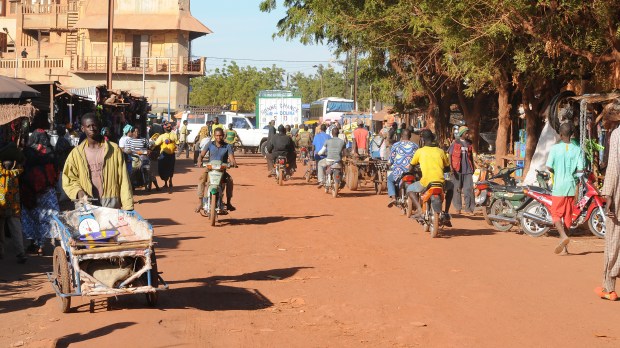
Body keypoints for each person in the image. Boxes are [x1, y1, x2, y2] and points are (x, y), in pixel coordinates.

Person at [63, 113, 133, 211]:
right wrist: (78, 192)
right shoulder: (76, 154)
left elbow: (123, 179)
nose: (92, 128)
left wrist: (128, 206)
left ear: (99, 126)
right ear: (83, 129)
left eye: (94, 125)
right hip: (87, 206)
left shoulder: (114, 149)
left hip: (111, 206)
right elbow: (69, 178)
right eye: (88, 126)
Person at [21, 119, 59, 255]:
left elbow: (23, 169)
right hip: (48, 191)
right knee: (46, 218)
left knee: (31, 217)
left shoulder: (28, 151)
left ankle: (34, 244)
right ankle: (42, 245)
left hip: (31, 191)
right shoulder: (51, 151)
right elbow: (56, 170)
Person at [546, 123, 585, 254]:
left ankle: (563, 236)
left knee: (556, 214)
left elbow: (549, 167)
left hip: (558, 186)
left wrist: (556, 170)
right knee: (568, 216)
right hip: (571, 186)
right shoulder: (577, 149)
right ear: (572, 134)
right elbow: (580, 170)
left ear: (560, 134)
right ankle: (565, 249)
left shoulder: (555, 149)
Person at [407, 129, 454, 226]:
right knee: (452, 186)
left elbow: (411, 166)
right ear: (432, 138)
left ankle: (420, 210)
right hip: (441, 183)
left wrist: (411, 171)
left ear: (423, 140)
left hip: (425, 183)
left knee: (409, 189)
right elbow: (447, 168)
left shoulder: (420, 152)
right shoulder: (441, 151)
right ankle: (446, 211)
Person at [596, 116, 620, 300]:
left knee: (614, 238)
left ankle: (608, 288)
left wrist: (608, 195)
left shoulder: (617, 134)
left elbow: (613, 168)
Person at [196, 128, 238, 212]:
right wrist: (199, 161)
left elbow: (231, 158)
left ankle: (229, 203)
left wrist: (233, 163)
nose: (219, 137)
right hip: (210, 169)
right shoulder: (210, 144)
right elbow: (201, 155)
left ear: (223, 136)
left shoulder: (227, 146)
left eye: (220, 135)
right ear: (214, 136)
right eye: (217, 135)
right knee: (201, 180)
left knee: (230, 180)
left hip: (222, 170)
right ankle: (200, 203)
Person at [0, 144, 27, 263]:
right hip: (14, 206)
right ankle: (20, 253)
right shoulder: (17, 172)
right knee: (16, 230)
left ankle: (1, 252)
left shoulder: (1, 172)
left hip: (1, 205)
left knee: (0, 231)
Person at [448, 126, 476, 215]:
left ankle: (469, 209)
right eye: (466, 132)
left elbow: (470, 156)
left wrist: (473, 167)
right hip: (457, 169)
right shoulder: (455, 143)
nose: (467, 134)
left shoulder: (469, 143)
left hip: (468, 170)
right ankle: (458, 208)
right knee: (457, 189)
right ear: (461, 133)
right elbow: (449, 155)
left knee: (468, 189)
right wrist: (451, 168)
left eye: (468, 132)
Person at [387, 129, 419, 206]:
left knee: (389, 179)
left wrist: (389, 164)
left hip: (398, 172)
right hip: (412, 171)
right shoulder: (415, 146)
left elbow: (391, 159)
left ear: (401, 136)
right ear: (410, 136)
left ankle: (393, 197)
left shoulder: (395, 145)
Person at [154, 121, 178, 192]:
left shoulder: (162, 136)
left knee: (163, 168)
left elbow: (156, 143)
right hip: (171, 154)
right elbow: (177, 142)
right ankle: (169, 181)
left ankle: (166, 183)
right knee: (170, 167)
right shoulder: (174, 135)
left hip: (164, 155)